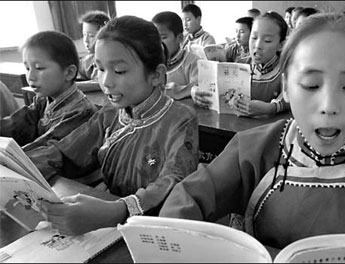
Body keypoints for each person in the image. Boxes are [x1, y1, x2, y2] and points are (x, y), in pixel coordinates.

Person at [159, 13, 345, 250]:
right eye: (311, 86)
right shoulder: (255, 149)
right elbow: (187, 200)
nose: (329, 106)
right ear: (286, 86)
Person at [27, 16, 199, 236]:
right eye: (99, 69)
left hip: (153, 229)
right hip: (107, 213)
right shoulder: (111, 112)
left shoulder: (180, 119)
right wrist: (23, 167)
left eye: (119, 71)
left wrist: (119, 209)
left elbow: (173, 182)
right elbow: (67, 150)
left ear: (156, 75)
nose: (106, 82)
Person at [0, 31, 97, 151]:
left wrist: (12, 155)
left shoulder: (80, 112)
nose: (30, 77)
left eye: (39, 68)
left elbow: (47, 150)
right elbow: (15, 125)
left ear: (69, 73)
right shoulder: (43, 100)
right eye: (27, 68)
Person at [191, 11, 289, 117]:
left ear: (281, 45)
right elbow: (206, 86)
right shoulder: (240, 64)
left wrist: (270, 108)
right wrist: (195, 92)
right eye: (254, 38)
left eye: (267, 40)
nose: (257, 45)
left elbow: (291, 97)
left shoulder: (286, 70)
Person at [152, 11, 200, 100]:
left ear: (179, 38)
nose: (158, 43)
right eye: (154, 38)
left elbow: (197, 89)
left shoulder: (192, 61)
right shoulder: (151, 64)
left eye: (163, 38)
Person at [76, 10, 110, 92]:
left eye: (91, 36)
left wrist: (70, 88)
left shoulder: (109, 59)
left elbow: (100, 83)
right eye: (84, 35)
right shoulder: (87, 60)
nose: (86, 40)